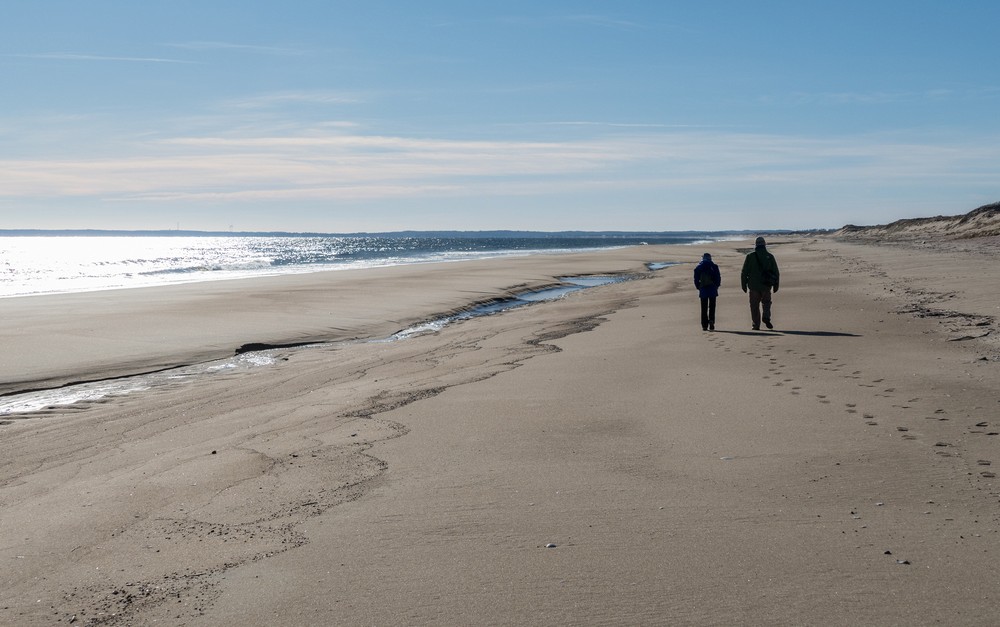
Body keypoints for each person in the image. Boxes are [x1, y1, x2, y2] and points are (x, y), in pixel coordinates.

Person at [740, 236, 780, 330]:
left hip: (753, 285)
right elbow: (776, 272)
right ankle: (766, 316)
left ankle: (756, 324)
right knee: (766, 302)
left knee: (754, 305)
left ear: (756, 245)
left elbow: (744, 272)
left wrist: (744, 285)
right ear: (764, 244)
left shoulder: (750, 256)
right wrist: (776, 285)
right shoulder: (770, 257)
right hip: (766, 285)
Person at [693, 252, 721, 331]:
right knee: (712, 307)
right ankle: (711, 321)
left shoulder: (698, 267)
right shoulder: (714, 266)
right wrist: (716, 286)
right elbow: (718, 278)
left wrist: (698, 287)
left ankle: (704, 325)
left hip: (703, 289)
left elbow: (696, 279)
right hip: (712, 289)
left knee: (703, 308)